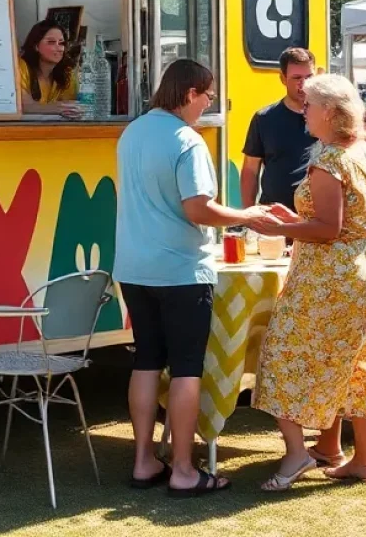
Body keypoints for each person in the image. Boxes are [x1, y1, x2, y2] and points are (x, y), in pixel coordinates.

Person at [114, 58, 278, 497]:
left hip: (133, 265)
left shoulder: (133, 131)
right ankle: (185, 470)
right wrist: (248, 216)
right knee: (187, 367)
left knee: (146, 358)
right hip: (180, 269)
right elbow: (198, 209)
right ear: (190, 94)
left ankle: (144, 460)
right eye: (208, 94)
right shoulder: (187, 140)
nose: (210, 102)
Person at [253, 74, 366, 490]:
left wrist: (277, 229)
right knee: (355, 365)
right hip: (363, 269)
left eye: (308, 104)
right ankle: (360, 459)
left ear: (329, 112)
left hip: (327, 277)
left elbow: (328, 228)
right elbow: (363, 223)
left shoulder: (329, 160)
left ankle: (296, 455)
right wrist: (295, 221)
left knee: (280, 355)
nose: (303, 109)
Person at [241, 48, 317, 210]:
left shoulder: (327, 117)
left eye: (309, 77)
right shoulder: (264, 118)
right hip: (274, 217)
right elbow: (250, 170)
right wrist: (249, 215)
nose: (304, 84)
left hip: (315, 221)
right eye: (296, 78)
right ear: (283, 79)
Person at [17, 21, 79, 115]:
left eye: (61, 43)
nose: (59, 48)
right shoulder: (21, 67)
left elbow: (69, 107)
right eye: (51, 42)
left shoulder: (67, 73)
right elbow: (23, 106)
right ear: (36, 46)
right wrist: (55, 108)